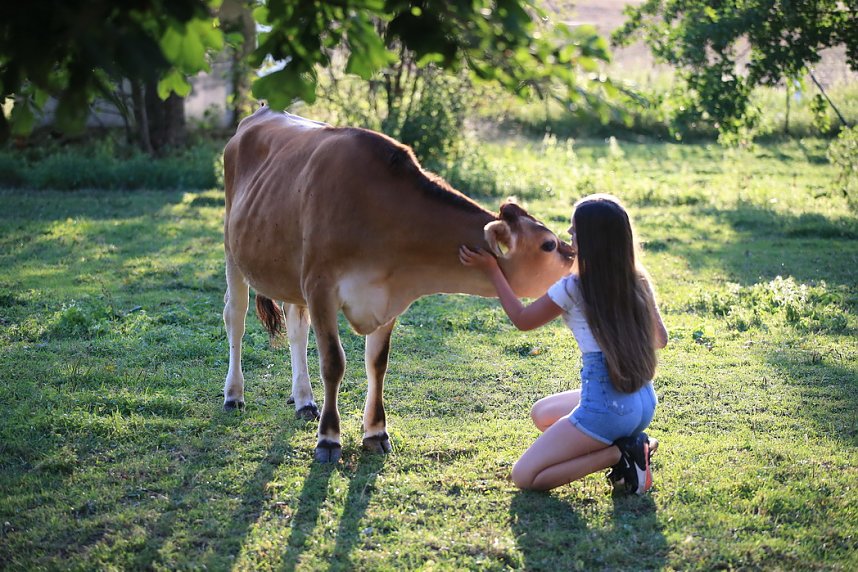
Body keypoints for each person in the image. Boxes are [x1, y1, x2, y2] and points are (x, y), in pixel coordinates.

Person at [459, 194, 668, 494]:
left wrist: (493, 271)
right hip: (642, 402)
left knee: (525, 476)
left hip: (607, 410)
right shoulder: (637, 279)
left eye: (575, 230)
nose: (569, 236)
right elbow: (660, 340)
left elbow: (522, 319)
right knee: (542, 414)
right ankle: (634, 442)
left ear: (591, 239)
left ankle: (622, 452)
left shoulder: (573, 288)